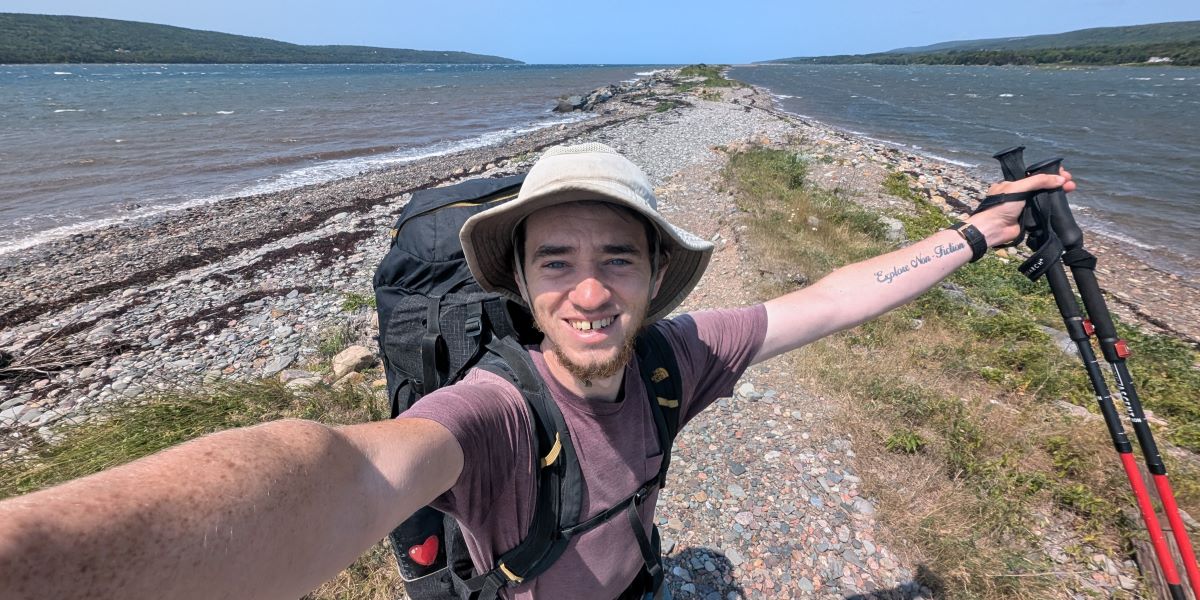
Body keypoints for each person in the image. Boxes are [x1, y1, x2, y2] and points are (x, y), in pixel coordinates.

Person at [0, 142, 1073, 600]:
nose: (590, 291)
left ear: (658, 274)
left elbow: (835, 297)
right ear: (519, 284)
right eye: (556, 262)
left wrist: (977, 235)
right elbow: (334, 471)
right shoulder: (490, 412)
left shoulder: (678, 358)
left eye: (617, 259)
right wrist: (43, 562)